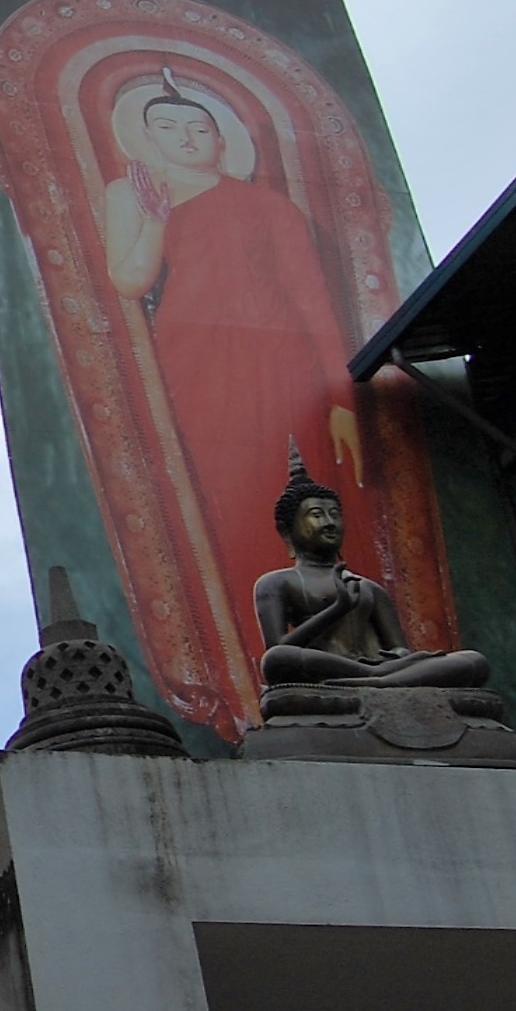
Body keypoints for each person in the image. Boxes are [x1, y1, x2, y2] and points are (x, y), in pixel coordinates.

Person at [101, 66, 383, 673]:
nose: (184, 137)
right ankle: (275, 653)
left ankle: (354, 648)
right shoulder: (138, 197)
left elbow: (312, 298)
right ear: (146, 139)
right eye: (166, 127)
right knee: (234, 494)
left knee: (308, 488)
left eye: (198, 127)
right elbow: (129, 280)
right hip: (198, 362)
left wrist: (339, 396)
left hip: (283, 360)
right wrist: (156, 218)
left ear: (221, 139)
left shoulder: (267, 206)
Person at [255, 445, 490, 691]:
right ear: (287, 530)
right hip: (326, 667)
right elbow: (278, 648)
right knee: (277, 659)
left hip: (381, 666)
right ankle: (374, 677)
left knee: (474, 661)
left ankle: (379, 680)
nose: (329, 522)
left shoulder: (368, 587)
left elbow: (399, 648)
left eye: (334, 514)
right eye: (316, 515)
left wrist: (397, 656)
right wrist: (337, 609)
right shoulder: (276, 583)